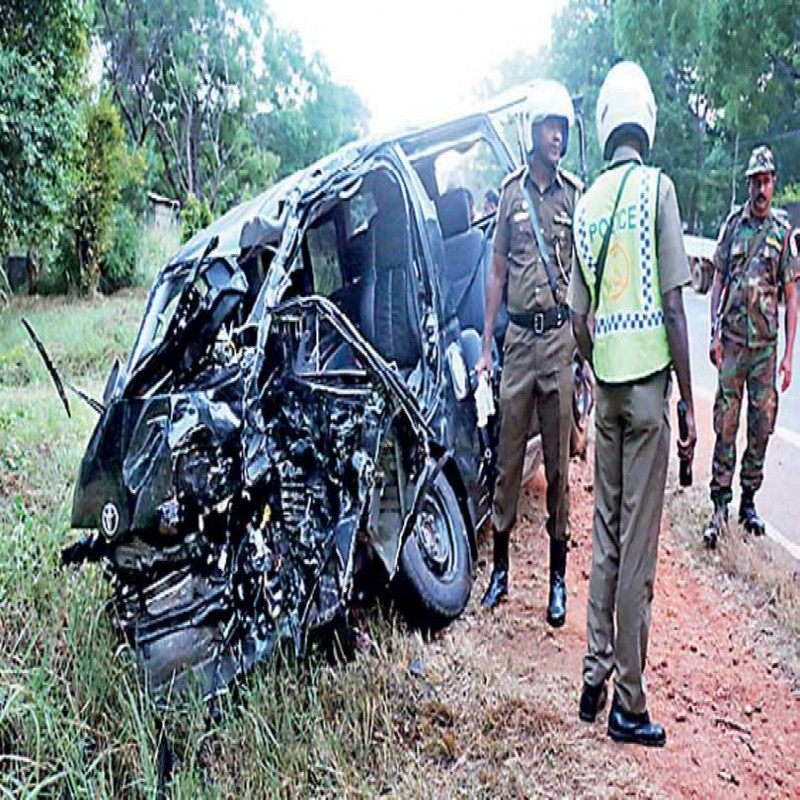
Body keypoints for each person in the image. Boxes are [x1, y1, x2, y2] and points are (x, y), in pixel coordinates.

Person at [568, 61, 697, 747]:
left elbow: (578, 321)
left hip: (608, 399)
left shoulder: (586, 205)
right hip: (648, 397)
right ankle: (629, 703)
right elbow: (676, 306)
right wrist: (686, 408)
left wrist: (602, 366)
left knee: (606, 540)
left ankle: (592, 679)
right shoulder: (658, 189)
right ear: (644, 119)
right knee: (637, 555)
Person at [476, 79, 581, 627]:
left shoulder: (574, 196)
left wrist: (585, 350)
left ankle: (558, 579)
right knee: (507, 460)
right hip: (517, 344)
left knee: (560, 468)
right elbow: (497, 271)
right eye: (549, 127)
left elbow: (585, 275)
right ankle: (500, 571)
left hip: (559, 343)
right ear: (533, 133)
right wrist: (488, 348)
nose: (557, 136)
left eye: (562, 127)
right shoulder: (511, 195)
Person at [703, 146, 798, 548]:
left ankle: (747, 502)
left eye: (767, 180)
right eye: (756, 181)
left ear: (774, 182)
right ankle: (719, 506)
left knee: (760, 429)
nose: (761, 188)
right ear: (748, 184)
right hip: (733, 345)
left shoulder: (782, 233)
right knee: (726, 425)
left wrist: (789, 356)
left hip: (765, 351)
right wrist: (712, 333)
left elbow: (792, 295)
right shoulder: (732, 226)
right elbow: (718, 280)